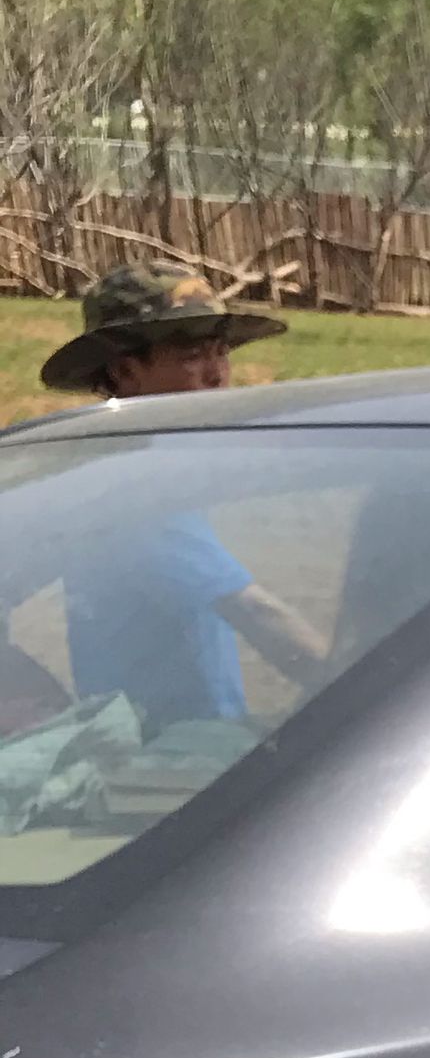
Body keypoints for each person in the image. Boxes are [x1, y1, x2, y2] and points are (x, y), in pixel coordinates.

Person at [30, 268, 327, 730]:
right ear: (125, 371)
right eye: (193, 356)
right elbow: (256, 613)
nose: (217, 375)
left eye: (221, 353)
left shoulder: (115, 471)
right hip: (177, 754)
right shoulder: (129, 492)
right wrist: (358, 691)